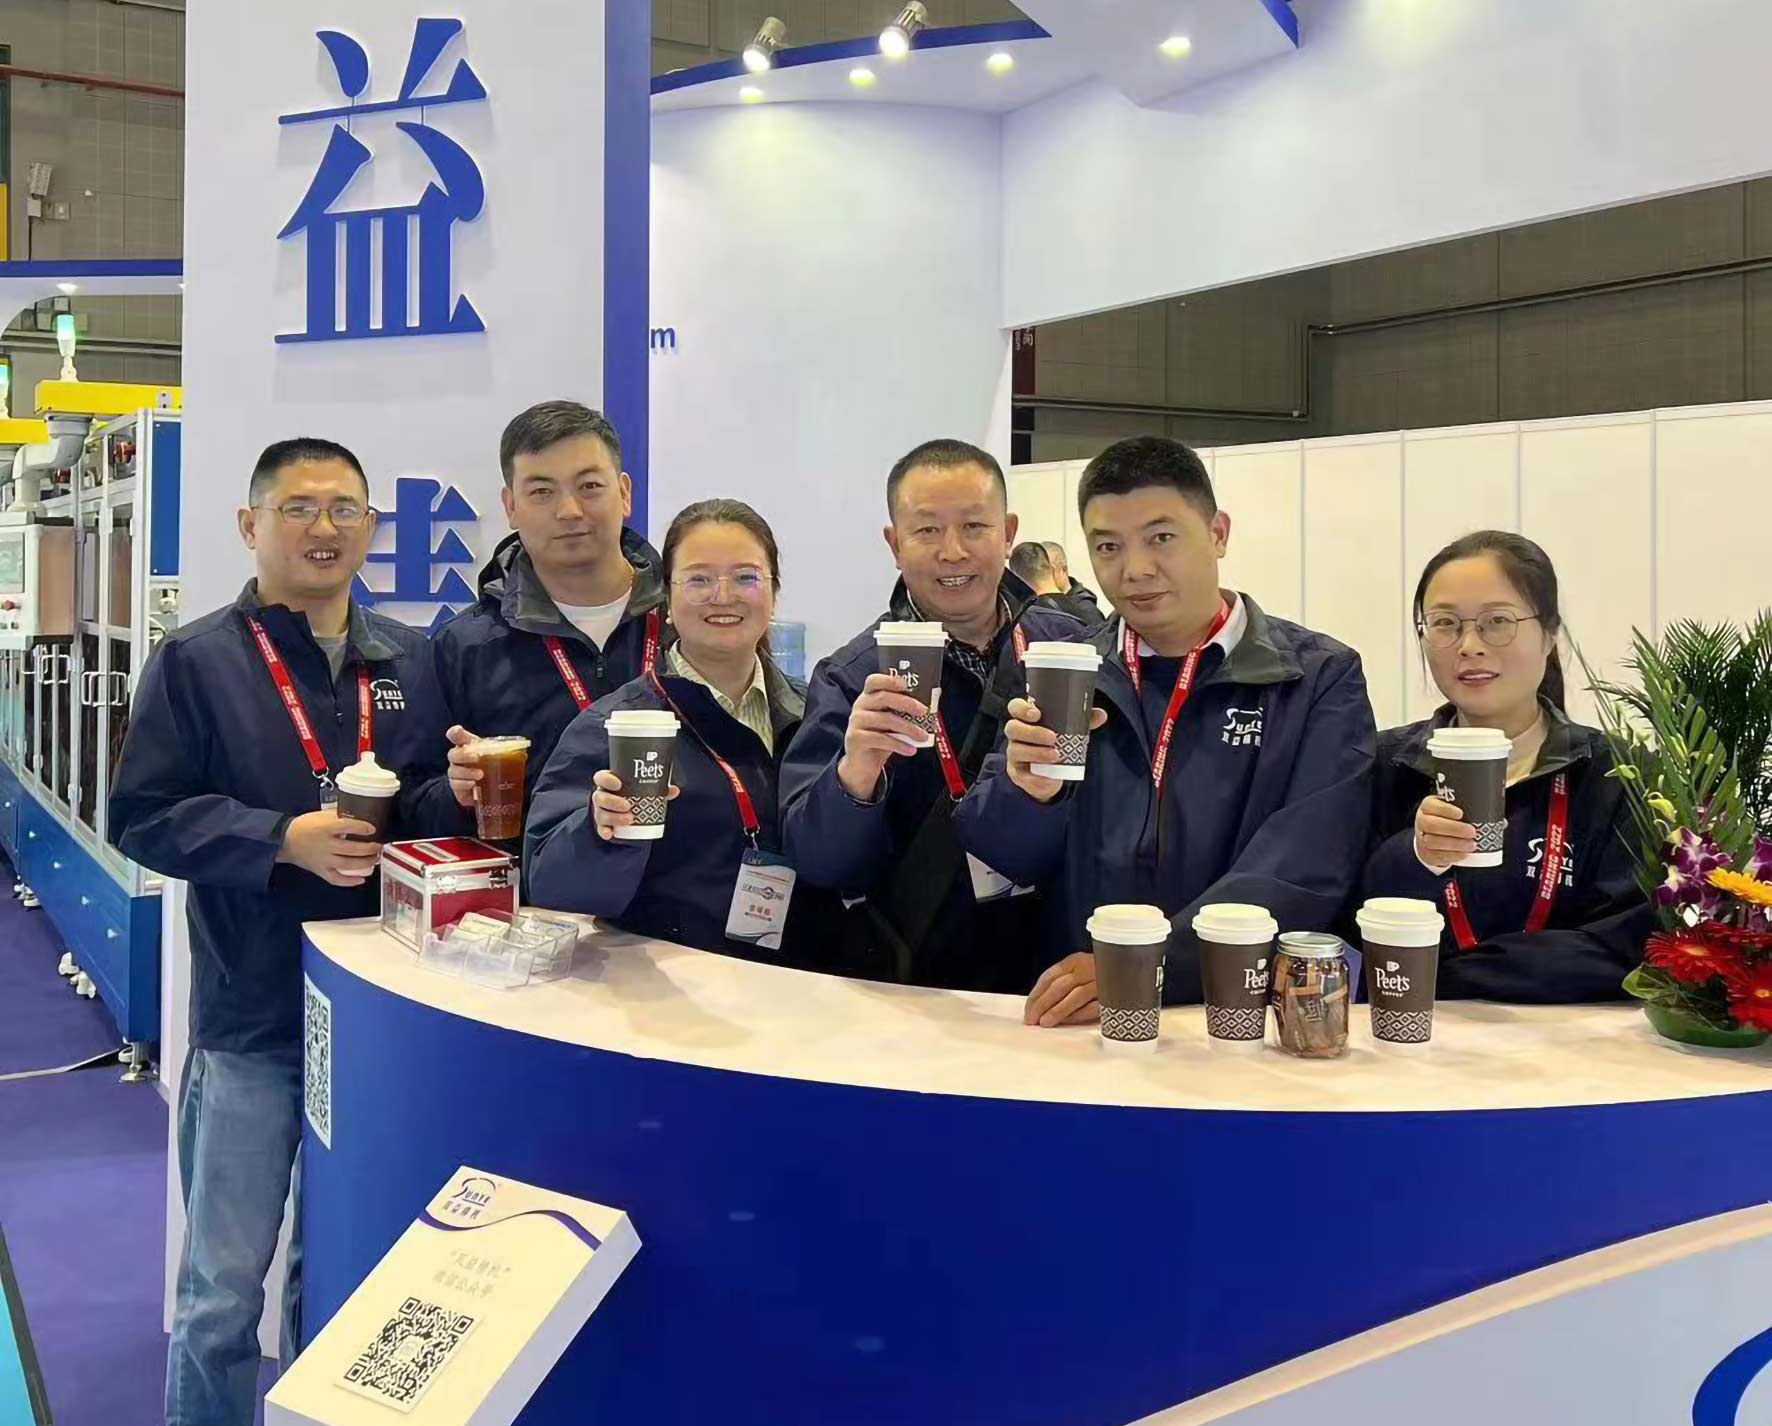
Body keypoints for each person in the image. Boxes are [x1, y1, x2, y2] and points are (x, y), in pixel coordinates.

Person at [108, 438, 463, 1426]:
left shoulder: (409, 660)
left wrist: (459, 793)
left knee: (342, 1275)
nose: (324, 528)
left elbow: (420, 800)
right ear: (250, 524)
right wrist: (280, 840)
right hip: (253, 1015)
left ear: (372, 529)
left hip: (380, 1016)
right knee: (223, 1291)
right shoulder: (199, 662)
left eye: (345, 509)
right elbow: (141, 815)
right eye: (299, 507)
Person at [953, 435, 1376, 1026]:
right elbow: (1003, 860)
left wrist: (1148, 963)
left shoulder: (1316, 678)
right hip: (1082, 1017)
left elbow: (1307, 865)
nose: (1135, 570)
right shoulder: (1066, 672)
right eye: (1108, 546)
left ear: (1218, 533)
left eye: (1161, 538)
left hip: (1239, 1015)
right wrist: (1027, 795)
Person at [780, 439, 1088, 992]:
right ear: (894, 544)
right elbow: (818, 863)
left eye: (974, 526)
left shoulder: (1070, 651)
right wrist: (854, 778)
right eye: (927, 530)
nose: (953, 551)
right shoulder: (853, 675)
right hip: (916, 984)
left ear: (1008, 533)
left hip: (1059, 974)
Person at [526, 499, 833, 961]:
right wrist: (598, 829)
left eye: (746, 577)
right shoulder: (616, 725)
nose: (723, 596)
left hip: (803, 980)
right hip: (674, 983)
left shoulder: (817, 713)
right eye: (699, 579)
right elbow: (551, 887)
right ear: (667, 599)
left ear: (773, 592)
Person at [1361, 531, 1648, 1001]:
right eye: (1445, 623)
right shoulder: (1381, 765)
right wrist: (1415, 856)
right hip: (1412, 1027)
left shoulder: (1618, 774)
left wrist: (1456, 975)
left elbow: (1626, 946)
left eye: (1497, 621)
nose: (1469, 645)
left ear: (1550, 635)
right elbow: (1352, 917)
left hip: (1579, 1035)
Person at [435, 400, 667, 830]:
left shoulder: (683, 622)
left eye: (589, 486)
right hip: (530, 873)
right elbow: (416, 800)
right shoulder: (466, 645)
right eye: (542, 492)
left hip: (683, 868)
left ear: (625, 494)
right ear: (510, 506)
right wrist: (454, 790)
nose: (569, 510)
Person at [1042, 539, 1105, 628]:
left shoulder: (1086, 610)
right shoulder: (1039, 603)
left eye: (1047, 570)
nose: (1041, 576)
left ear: (1063, 570)